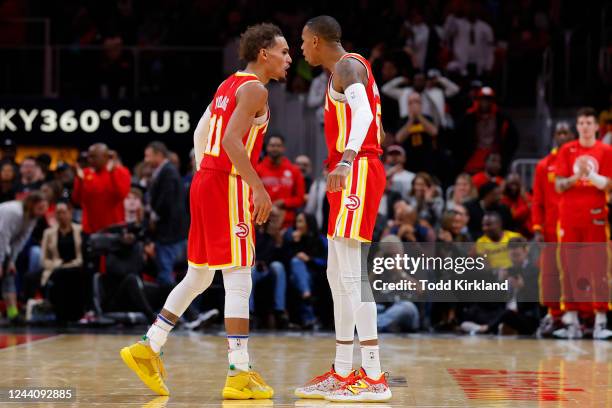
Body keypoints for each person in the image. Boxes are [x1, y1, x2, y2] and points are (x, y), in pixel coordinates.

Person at [120, 23, 291, 398]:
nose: (289, 59)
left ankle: (149, 345)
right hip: (226, 183)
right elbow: (231, 139)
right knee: (239, 276)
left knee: (198, 277)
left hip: (206, 181)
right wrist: (256, 187)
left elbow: (201, 134)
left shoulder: (228, 84)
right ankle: (238, 371)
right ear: (264, 53)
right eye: (283, 52)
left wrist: (207, 175)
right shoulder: (255, 90)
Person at [298, 15, 391, 402]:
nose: (300, 49)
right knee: (337, 275)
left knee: (353, 275)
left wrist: (348, 158)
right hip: (350, 171)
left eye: (302, 42)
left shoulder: (349, 65)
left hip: (357, 170)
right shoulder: (345, 70)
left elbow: (367, 119)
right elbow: (379, 126)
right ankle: (341, 369)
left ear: (317, 40)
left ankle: (373, 376)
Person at [553, 107, 612, 340]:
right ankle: (572, 321)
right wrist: (577, 176)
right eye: (581, 123)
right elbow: (558, 185)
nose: (585, 127)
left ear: (597, 126)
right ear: (577, 127)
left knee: (598, 267)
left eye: (589, 122)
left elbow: (608, 185)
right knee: (569, 267)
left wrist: (593, 177)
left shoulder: (606, 150)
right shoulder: (567, 151)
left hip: (595, 216)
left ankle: (600, 321)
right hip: (569, 216)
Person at [531, 121, 574, 336]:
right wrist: (537, 228)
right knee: (550, 274)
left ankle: (579, 317)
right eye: (559, 132)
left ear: (572, 135)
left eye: (566, 132)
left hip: (576, 227)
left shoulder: (583, 163)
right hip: (550, 229)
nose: (562, 135)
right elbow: (537, 200)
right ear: (554, 136)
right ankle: (553, 314)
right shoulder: (543, 165)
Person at [144, 141, 189, 285]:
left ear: (159, 155)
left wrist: (154, 217)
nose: (146, 160)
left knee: (165, 274)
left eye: (148, 156)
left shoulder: (168, 172)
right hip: (170, 233)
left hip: (169, 234)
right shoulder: (166, 171)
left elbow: (167, 202)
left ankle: (170, 307)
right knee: (167, 273)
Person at [0, 192, 48, 323]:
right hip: (1, 241)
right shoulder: (14, 212)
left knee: (9, 276)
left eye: (44, 208)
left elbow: (20, 241)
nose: (42, 212)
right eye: (40, 208)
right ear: (32, 204)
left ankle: (12, 314)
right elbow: (2, 235)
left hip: (5, 245)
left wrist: (11, 261)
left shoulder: (31, 218)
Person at [72, 144, 131, 234]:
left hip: (113, 230)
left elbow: (121, 195)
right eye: (89, 156)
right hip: (90, 230)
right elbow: (77, 200)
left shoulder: (121, 172)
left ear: (105, 157)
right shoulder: (84, 174)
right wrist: (79, 182)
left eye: (93, 157)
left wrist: (112, 174)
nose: (89, 160)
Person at [256, 134, 305, 228]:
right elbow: (250, 195)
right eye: (272, 145)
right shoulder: (257, 169)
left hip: (287, 224)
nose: (275, 148)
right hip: (262, 222)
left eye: (278, 146)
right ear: (267, 147)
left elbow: (300, 198)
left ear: (283, 148)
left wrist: (284, 202)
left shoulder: (294, 171)